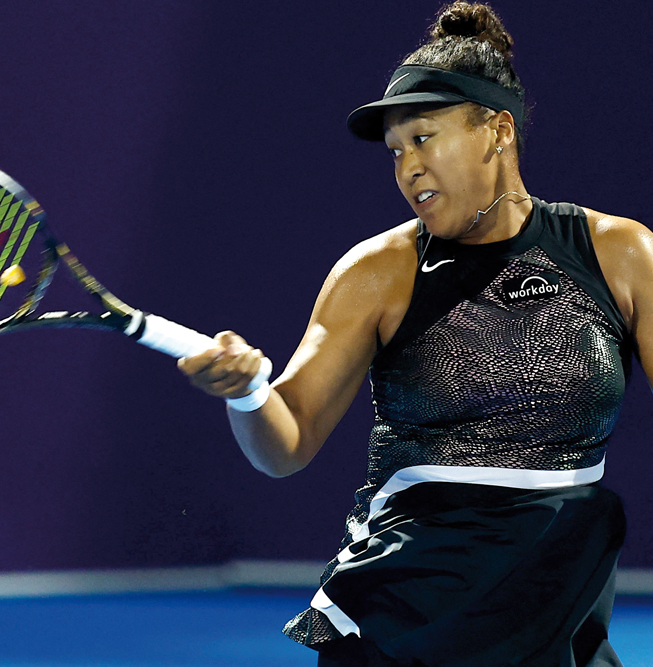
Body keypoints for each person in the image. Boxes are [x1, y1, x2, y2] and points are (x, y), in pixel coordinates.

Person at [178, 2, 653, 665]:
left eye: (424, 138)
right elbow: (284, 442)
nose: (407, 168)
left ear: (497, 130)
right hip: (402, 624)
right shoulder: (379, 272)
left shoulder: (618, 253)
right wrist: (249, 392)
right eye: (396, 151)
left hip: (558, 613)